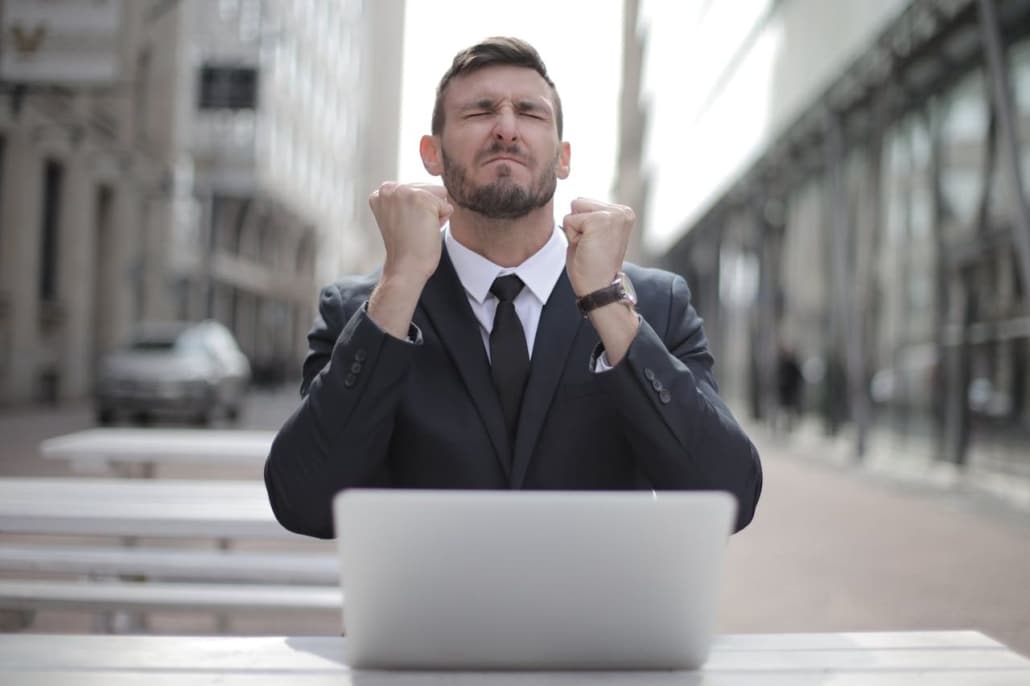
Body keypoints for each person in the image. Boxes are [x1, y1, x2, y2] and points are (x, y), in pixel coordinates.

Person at [264, 37, 762, 539]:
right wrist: (400, 282)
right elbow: (303, 502)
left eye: (530, 113)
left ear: (563, 158)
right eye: (480, 112)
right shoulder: (362, 310)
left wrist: (606, 301)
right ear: (431, 154)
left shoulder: (654, 304)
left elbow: (728, 497)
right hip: (423, 619)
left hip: (600, 619)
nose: (506, 128)